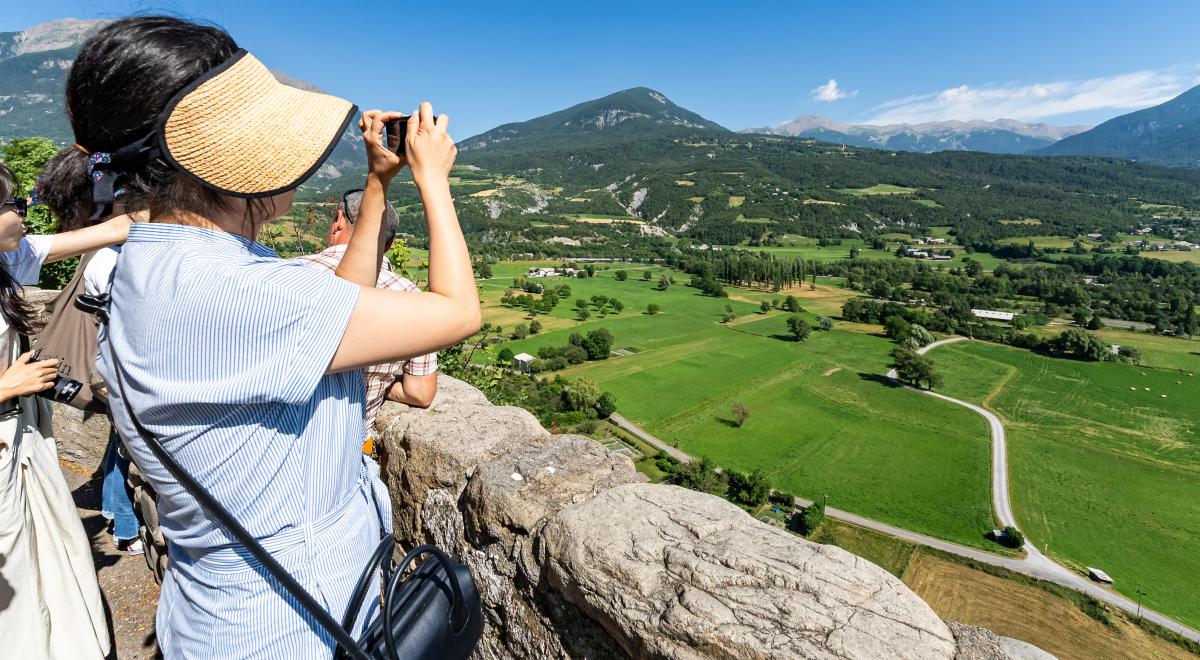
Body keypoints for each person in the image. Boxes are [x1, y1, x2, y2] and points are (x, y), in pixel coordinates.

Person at [39, 17, 479, 658]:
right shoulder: (232, 292)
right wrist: (433, 178)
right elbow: (456, 311)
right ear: (210, 165)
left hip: (226, 609)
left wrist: (377, 184)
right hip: (287, 630)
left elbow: (335, 306)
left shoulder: (159, 263)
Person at [0, 162, 133, 658]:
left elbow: (113, 229)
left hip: (20, 437)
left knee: (38, 551)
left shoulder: (7, 260)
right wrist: (5, 385)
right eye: (14, 205)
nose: (24, 214)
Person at [294, 190, 438, 451]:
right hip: (350, 449)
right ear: (389, 244)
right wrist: (379, 382)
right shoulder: (412, 297)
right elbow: (420, 392)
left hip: (279, 439)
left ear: (339, 221)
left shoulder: (290, 273)